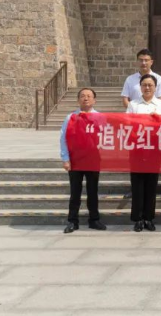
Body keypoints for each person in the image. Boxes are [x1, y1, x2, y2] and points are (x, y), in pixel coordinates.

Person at [59, 88, 106, 234]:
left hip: (93, 159)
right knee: (75, 192)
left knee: (93, 191)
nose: (86, 98)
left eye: (89, 96)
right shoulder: (71, 117)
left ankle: (94, 219)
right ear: (78, 100)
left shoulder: (100, 117)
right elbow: (63, 138)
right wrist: (65, 158)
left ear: (94, 100)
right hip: (75, 160)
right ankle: (72, 221)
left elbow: (106, 136)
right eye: (82, 96)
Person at [126, 74, 161, 232]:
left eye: (150, 85)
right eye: (144, 85)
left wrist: (158, 121)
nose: (147, 88)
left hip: (154, 149)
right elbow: (127, 123)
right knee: (137, 184)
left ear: (155, 87)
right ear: (140, 87)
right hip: (137, 148)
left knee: (151, 184)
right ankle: (138, 218)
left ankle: (149, 218)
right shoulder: (133, 104)